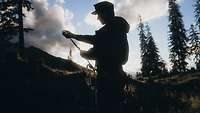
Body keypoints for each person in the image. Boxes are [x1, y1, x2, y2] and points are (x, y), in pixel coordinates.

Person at [63, 1, 130, 113]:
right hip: (116, 77)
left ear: (106, 13)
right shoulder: (116, 28)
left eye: (99, 14)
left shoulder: (110, 30)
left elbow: (100, 48)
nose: (98, 18)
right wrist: (74, 36)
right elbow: (98, 43)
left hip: (107, 80)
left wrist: (86, 54)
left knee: (105, 108)